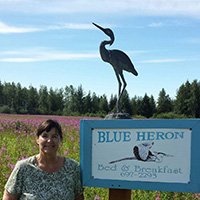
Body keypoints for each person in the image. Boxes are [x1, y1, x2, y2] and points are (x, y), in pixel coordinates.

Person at [3, 119, 84, 200]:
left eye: (54, 137)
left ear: (60, 140)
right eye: (45, 136)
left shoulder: (72, 168)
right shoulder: (23, 167)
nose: (49, 140)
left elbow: (79, 197)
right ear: (37, 139)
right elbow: (9, 197)